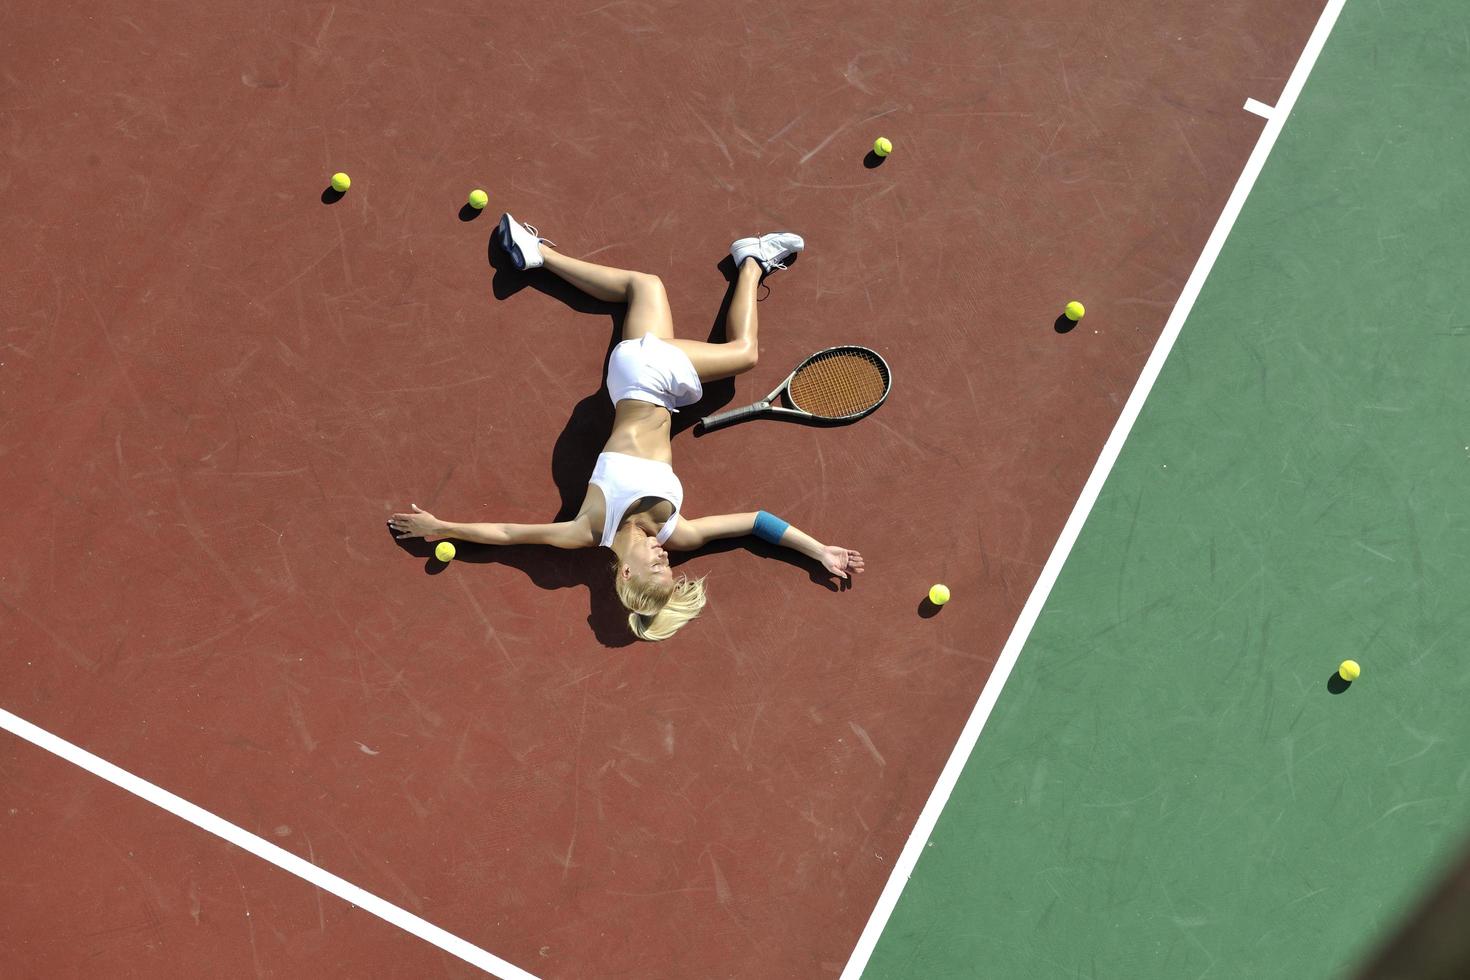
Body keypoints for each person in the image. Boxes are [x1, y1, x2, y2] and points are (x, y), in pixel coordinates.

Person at [388, 214, 865, 641]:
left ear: (626, 577)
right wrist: (818, 550)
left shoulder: (590, 529)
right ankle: (536, 255)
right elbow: (756, 523)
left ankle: (751, 261)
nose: (665, 560)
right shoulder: (677, 533)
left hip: (646, 378)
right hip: (642, 385)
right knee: (645, 287)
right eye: (670, 571)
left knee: (745, 354)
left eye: (655, 570)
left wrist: (442, 526)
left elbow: (512, 536)